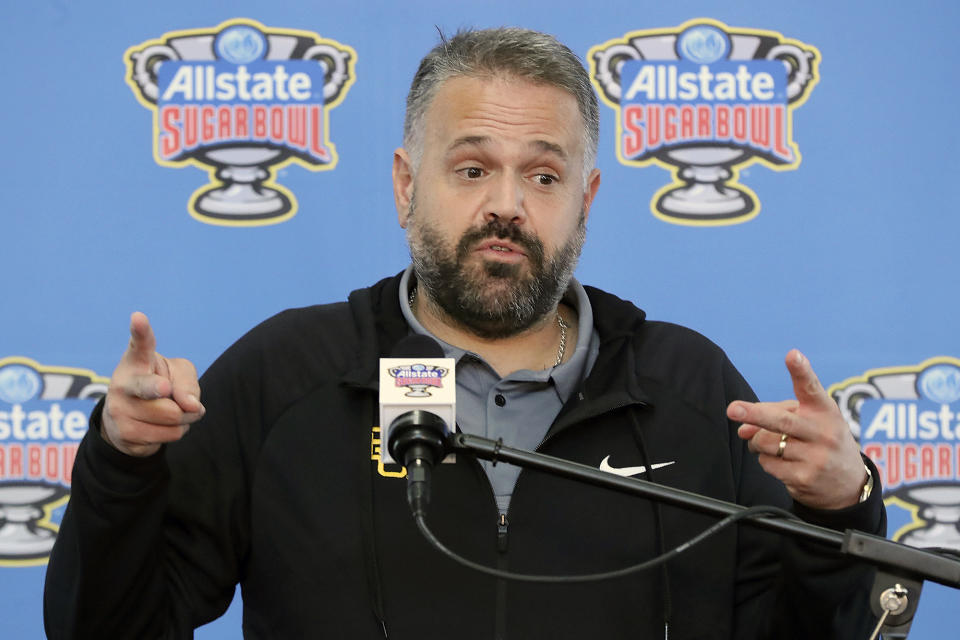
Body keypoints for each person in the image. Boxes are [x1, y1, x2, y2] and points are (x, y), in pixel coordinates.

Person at [44, 27, 885, 639]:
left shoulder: (690, 387)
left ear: (585, 200)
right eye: (473, 168)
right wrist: (122, 465)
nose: (508, 205)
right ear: (408, 184)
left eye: (543, 175)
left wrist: (841, 510)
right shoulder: (289, 374)